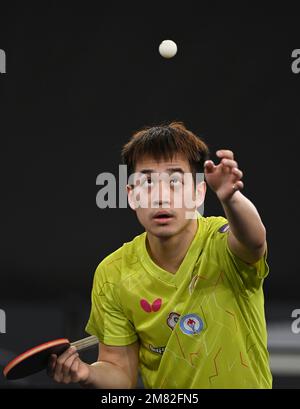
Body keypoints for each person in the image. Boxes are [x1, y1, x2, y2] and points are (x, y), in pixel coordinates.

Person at [48, 122, 272, 388]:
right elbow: (119, 371)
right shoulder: (113, 273)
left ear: (198, 193)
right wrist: (87, 373)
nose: (161, 197)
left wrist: (230, 198)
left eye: (175, 181)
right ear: (131, 196)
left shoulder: (221, 241)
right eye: (147, 182)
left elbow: (254, 241)